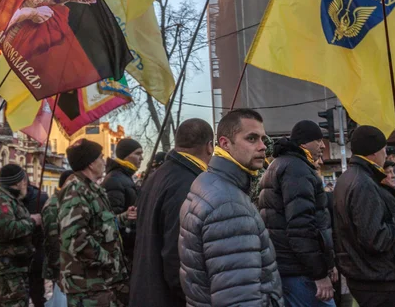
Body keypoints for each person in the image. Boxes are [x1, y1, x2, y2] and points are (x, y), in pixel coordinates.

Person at [179, 109, 284, 306]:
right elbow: (239, 298)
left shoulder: (209, 182)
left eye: (263, 138)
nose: (262, 147)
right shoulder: (229, 205)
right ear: (225, 143)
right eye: (251, 139)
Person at [129, 118, 214, 307]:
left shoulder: (157, 176)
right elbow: (178, 255)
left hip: (147, 290)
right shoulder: (189, 182)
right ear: (210, 146)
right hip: (167, 297)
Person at [333, 126, 395, 306]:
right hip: (379, 283)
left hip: (367, 277)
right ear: (374, 152)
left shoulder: (348, 178)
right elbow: (375, 239)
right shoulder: (363, 183)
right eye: (384, 149)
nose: (385, 155)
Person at [259, 120, 336, 306]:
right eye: (318, 140)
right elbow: (301, 227)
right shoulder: (297, 169)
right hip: (300, 271)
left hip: (289, 266)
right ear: (304, 143)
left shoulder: (280, 165)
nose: (322, 145)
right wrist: (319, 273)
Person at [58, 138, 133, 306]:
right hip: (89, 286)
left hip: (102, 283)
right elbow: (75, 237)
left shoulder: (92, 189)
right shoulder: (76, 190)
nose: (104, 162)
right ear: (91, 164)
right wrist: (108, 260)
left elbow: (99, 224)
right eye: (101, 157)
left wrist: (123, 217)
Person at [0, 164, 41, 307]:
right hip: (6, 269)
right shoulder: (2, 200)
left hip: (17, 266)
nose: (26, 184)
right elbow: (7, 228)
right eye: (24, 181)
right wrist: (32, 221)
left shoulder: (12, 200)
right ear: (19, 182)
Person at [102, 137, 143, 262]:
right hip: (124, 250)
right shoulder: (115, 180)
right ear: (126, 156)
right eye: (137, 154)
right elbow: (112, 218)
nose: (141, 158)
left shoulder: (126, 177)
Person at [42, 170, 73, 284]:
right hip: (60, 267)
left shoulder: (66, 200)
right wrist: (58, 268)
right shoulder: (54, 204)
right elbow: (52, 239)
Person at [22, 177, 48, 307]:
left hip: (37, 249)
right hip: (20, 253)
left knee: (37, 291)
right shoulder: (10, 200)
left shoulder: (41, 198)